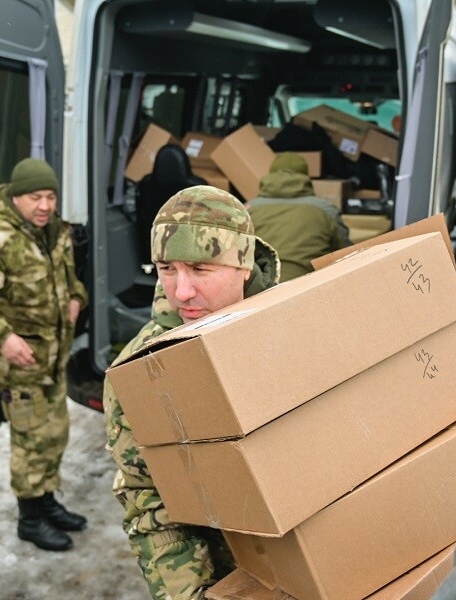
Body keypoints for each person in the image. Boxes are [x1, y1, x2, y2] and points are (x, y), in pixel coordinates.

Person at [103, 185, 280, 599]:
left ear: (244, 266)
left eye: (200, 270)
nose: (180, 291)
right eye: (166, 269)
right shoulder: (143, 371)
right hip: (230, 575)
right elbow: (150, 501)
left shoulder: (286, 327)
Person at [0, 157, 89, 552]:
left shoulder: (54, 232)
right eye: (35, 197)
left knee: (54, 434)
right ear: (16, 197)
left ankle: (46, 503)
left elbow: (70, 280)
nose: (44, 205)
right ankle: (30, 519)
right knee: (30, 442)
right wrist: (3, 338)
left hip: (53, 358)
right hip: (18, 364)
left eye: (51, 196)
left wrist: (77, 298)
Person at [247, 152, 352, 282]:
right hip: (309, 288)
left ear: (271, 175)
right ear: (305, 177)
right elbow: (348, 255)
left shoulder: (247, 210)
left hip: (261, 289)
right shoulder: (325, 210)